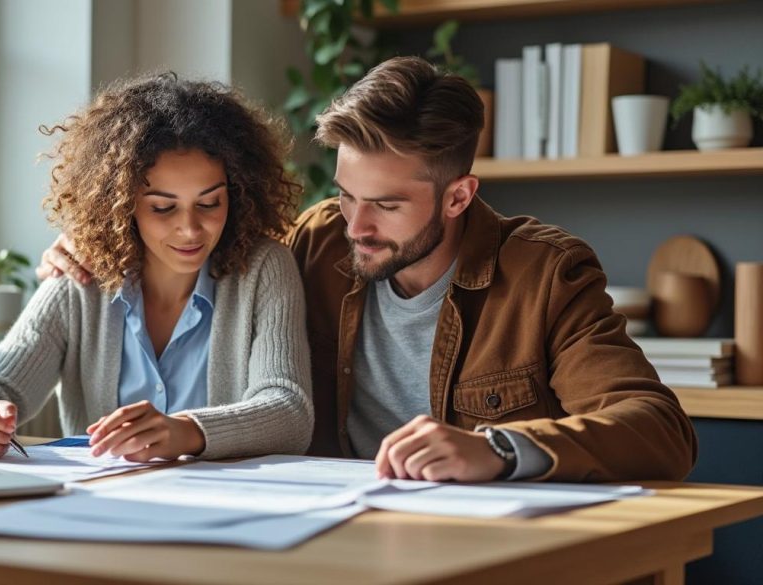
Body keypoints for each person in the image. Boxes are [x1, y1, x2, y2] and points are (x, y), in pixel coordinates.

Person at [39, 57, 697, 482]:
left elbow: (659, 428)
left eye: (386, 205)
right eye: (348, 195)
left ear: (459, 196)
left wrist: (497, 449)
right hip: (331, 532)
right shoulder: (319, 241)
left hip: (490, 545)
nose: (356, 226)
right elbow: (200, 240)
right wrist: (90, 243)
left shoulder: (544, 274)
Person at [0, 73, 313, 463]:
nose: (190, 228)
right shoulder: (81, 273)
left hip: (235, 508)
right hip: (100, 506)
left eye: (210, 203)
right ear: (123, 204)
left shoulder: (264, 268)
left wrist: (186, 431)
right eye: (163, 207)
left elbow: (288, 410)